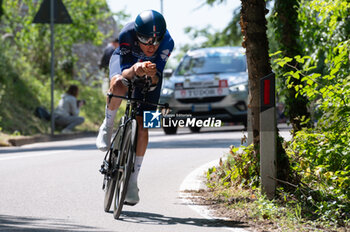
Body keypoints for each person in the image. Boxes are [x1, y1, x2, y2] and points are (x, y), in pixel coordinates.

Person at [96, 10, 174, 205]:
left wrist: (151, 72)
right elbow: (124, 70)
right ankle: (107, 125)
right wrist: (135, 69)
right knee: (118, 84)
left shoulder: (168, 42)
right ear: (137, 35)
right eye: (146, 40)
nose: (151, 45)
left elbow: (157, 77)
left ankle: (133, 181)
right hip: (126, 64)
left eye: (155, 40)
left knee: (145, 125)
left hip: (151, 74)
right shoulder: (126, 33)